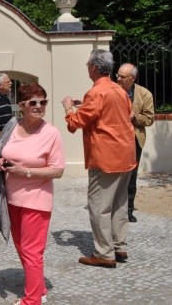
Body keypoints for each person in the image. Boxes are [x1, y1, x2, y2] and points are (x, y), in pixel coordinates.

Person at [62, 49, 136, 268]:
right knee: (119, 204)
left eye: (88, 65)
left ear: (94, 67)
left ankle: (104, 253)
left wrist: (68, 107)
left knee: (99, 206)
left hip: (106, 156)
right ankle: (119, 246)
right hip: (126, 154)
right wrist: (82, 105)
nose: (87, 68)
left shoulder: (96, 93)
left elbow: (75, 124)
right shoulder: (119, 90)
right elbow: (117, 114)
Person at [0, 83, 65, 305]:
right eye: (32, 102)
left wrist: (25, 172)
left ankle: (32, 300)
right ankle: (39, 288)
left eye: (42, 102)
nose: (38, 106)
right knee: (21, 247)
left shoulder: (51, 133)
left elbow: (58, 170)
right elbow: (4, 151)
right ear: (21, 105)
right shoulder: (13, 126)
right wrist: (0, 161)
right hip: (12, 197)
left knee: (32, 251)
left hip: (37, 200)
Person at [116, 63, 154, 222]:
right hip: (114, 139)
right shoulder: (112, 91)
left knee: (131, 177)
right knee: (115, 175)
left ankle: (128, 210)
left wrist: (134, 117)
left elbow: (150, 119)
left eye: (122, 77)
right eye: (117, 75)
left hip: (133, 139)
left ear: (133, 78)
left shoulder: (144, 94)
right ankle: (114, 208)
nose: (118, 78)